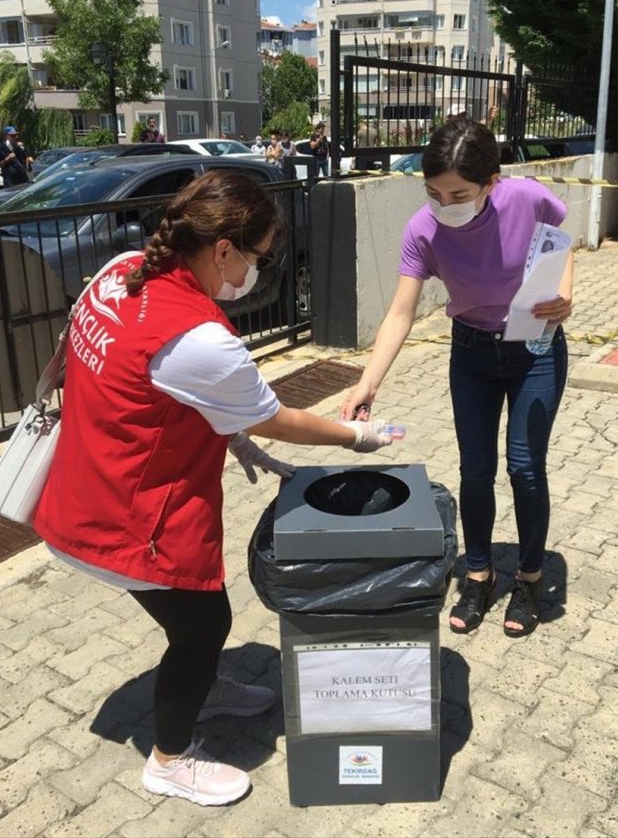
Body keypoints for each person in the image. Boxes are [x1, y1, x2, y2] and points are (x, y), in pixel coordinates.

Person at [33, 170, 399, 808]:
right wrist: (354, 437)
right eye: (258, 258)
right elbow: (276, 417)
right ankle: (170, 761)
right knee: (205, 626)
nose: (257, 271)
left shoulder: (123, 271)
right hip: (127, 518)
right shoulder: (199, 337)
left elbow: (148, 384)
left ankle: (199, 683)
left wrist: (230, 437)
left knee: (192, 623)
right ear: (223, 248)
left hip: (82, 489)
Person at [340, 117, 572, 639]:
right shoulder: (422, 230)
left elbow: (561, 241)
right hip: (471, 352)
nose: (445, 205)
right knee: (475, 469)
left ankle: (530, 579)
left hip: (535, 347)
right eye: (434, 193)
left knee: (525, 468)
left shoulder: (526, 198)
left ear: (492, 182)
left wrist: (566, 294)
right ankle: (479, 575)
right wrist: (367, 382)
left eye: (459, 194)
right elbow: (401, 312)